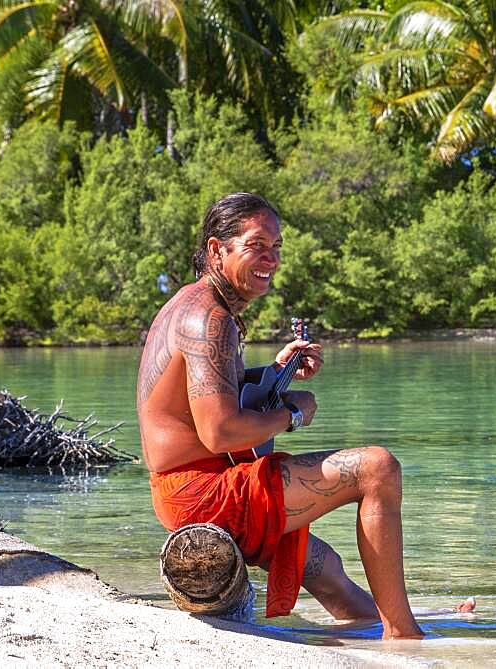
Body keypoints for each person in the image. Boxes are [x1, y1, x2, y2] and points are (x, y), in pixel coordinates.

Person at [137, 193, 435, 639]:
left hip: (187, 488)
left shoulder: (194, 304)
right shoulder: (208, 318)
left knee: (324, 568)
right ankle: (405, 636)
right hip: (204, 493)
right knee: (378, 469)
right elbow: (219, 431)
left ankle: (403, 623)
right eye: (258, 245)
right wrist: (292, 413)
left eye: (277, 247)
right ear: (217, 250)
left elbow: (207, 392)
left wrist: (275, 373)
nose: (272, 259)